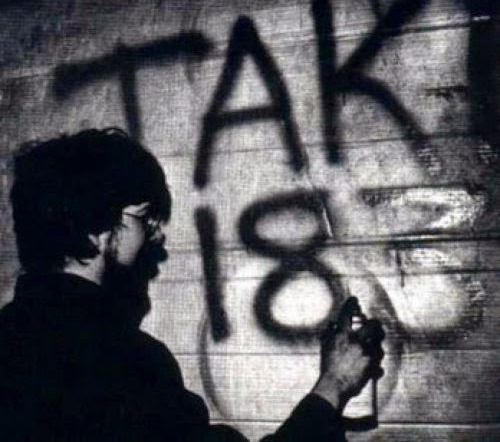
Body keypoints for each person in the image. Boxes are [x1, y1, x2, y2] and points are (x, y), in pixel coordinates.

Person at [0, 128, 384, 440]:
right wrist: (333, 385)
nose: (154, 236)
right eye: (143, 218)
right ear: (96, 229)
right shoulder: (127, 365)